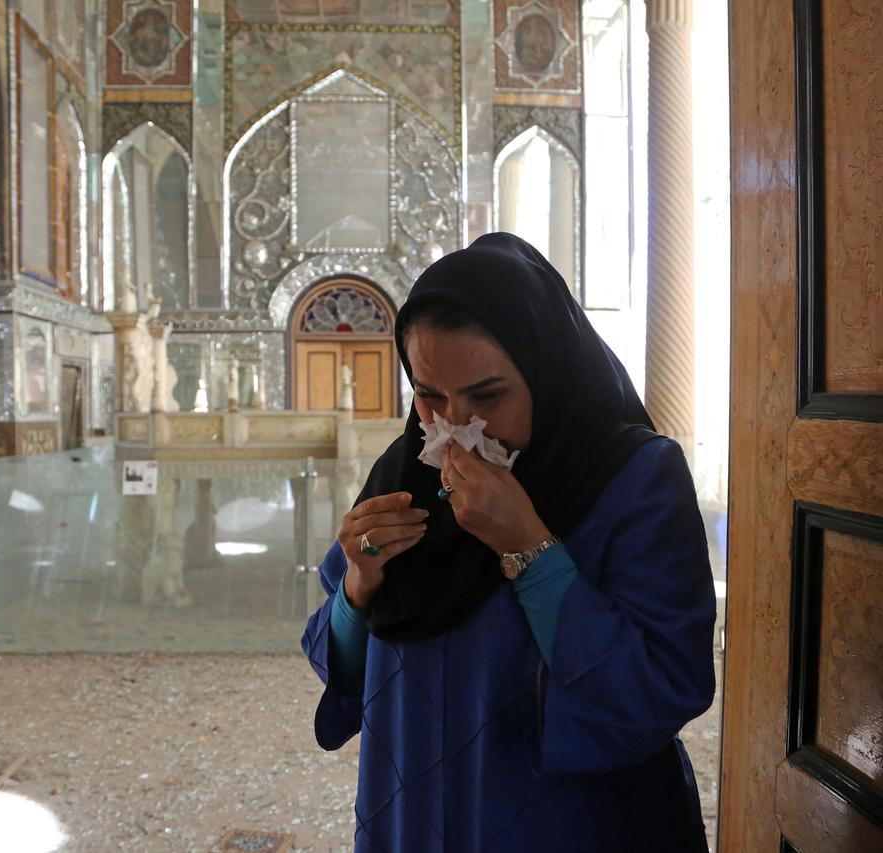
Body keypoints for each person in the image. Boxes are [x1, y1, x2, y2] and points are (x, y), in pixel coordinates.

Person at [302, 232, 715, 851]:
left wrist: (529, 547)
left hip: (571, 819)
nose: (455, 427)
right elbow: (344, 663)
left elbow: (662, 684)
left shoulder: (632, 478)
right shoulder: (404, 473)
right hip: (412, 804)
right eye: (429, 395)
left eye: (487, 396)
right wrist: (357, 589)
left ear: (546, 371)